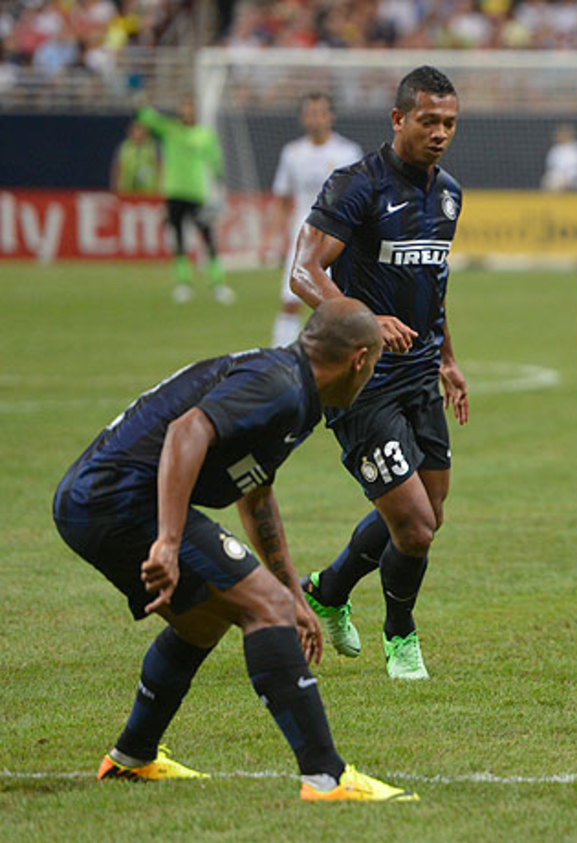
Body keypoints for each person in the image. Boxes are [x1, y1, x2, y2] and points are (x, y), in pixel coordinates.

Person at [52, 300, 418, 801]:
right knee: (261, 607)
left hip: (97, 500)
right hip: (114, 501)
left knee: (203, 620)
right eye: (374, 364)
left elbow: (256, 492)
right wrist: (169, 540)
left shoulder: (296, 393)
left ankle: (131, 759)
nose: (371, 374)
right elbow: (187, 431)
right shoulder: (279, 384)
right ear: (358, 359)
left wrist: (294, 590)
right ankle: (325, 778)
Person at [289, 66, 469, 682]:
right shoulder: (357, 186)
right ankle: (401, 636)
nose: (440, 133)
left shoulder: (448, 193)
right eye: (428, 121)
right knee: (415, 527)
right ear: (399, 119)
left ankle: (329, 590)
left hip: (421, 377)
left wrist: (447, 358)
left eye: (448, 122)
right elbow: (304, 272)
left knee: (427, 515)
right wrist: (367, 319)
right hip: (361, 383)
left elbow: (433, 283)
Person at [266, 93, 364, 347]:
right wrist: (272, 237)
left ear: (330, 116)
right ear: (302, 117)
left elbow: (362, 199)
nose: (315, 119)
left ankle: (345, 356)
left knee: (339, 304)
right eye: (310, 113)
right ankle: (281, 356)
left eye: (320, 113)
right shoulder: (293, 153)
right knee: (290, 300)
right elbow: (282, 198)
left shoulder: (348, 152)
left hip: (339, 238)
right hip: (304, 236)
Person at [136, 97, 233, 305]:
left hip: (198, 194)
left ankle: (217, 283)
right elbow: (146, 117)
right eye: (183, 107)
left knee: (208, 238)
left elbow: (215, 161)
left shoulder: (205, 135)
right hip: (174, 192)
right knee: (178, 238)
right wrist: (142, 100)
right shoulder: (170, 130)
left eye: (190, 107)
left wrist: (219, 184)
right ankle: (183, 283)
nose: (186, 111)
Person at [110, 119, 160, 196]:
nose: (135, 132)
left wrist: (159, 189)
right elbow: (117, 168)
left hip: (149, 192)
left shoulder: (153, 146)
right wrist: (115, 188)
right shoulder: (124, 147)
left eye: (139, 129)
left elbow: (160, 168)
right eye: (133, 129)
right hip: (126, 191)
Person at [541, 123, 577, 191]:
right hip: (558, 177)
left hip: (574, 177)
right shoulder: (555, 149)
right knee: (549, 180)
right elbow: (551, 167)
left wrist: (566, 178)